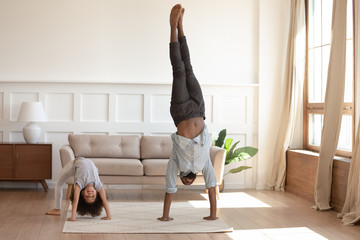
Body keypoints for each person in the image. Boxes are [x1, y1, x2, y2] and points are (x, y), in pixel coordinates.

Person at [158, 4, 218, 221]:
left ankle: (172, 28)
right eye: (189, 183)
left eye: (185, 181)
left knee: (179, 69)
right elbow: (212, 185)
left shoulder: (176, 162)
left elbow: (169, 187)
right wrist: (213, 215)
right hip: (199, 109)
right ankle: (181, 26)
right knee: (189, 67)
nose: (188, 182)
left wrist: (165, 216)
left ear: (182, 177)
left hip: (182, 111)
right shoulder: (204, 164)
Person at [45, 157, 111, 221]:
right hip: (87, 163)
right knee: (88, 173)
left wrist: (73, 217)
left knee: (58, 183)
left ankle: (57, 209)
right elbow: (104, 200)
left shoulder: (80, 184)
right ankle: (75, 208)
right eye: (93, 196)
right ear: (96, 192)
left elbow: (75, 199)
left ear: (82, 193)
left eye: (87, 197)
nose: (90, 194)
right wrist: (109, 216)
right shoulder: (98, 184)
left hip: (73, 165)